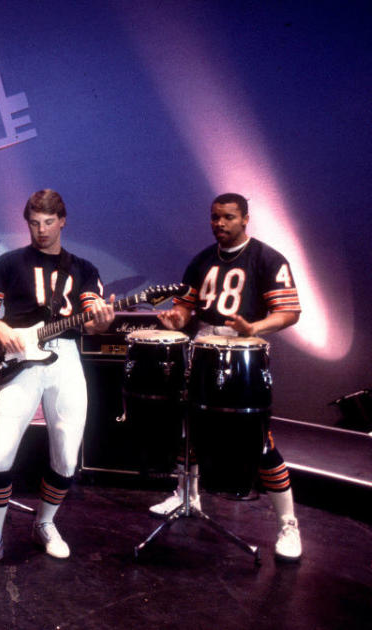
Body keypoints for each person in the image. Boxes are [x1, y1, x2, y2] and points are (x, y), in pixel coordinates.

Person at [0, 190, 114, 575]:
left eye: (49, 222)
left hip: (65, 357)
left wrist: (101, 319)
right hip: (21, 359)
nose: (41, 229)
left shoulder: (82, 268)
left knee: (66, 454)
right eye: (34, 222)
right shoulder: (10, 262)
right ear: (27, 221)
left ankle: (45, 523)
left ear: (63, 221)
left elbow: (95, 320)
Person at [153, 192, 303, 561]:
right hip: (202, 350)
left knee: (261, 442)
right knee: (187, 426)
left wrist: (254, 326)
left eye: (228, 218)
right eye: (215, 217)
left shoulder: (267, 258)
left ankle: (288, 524)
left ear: (245, 219)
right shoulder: (202, 260)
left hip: (245, 354)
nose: (220, 224)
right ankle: (186, 493)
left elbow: (289, 311)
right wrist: (177, 320)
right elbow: (185, 308)